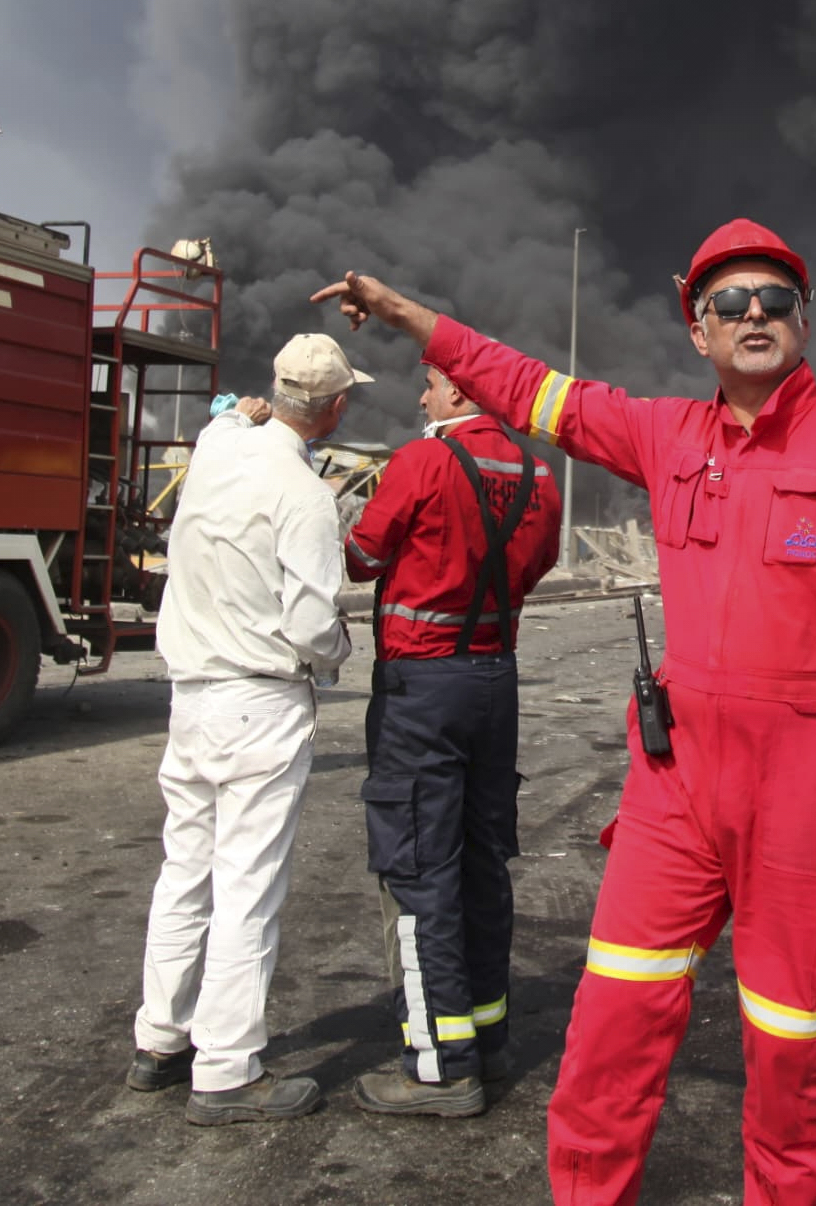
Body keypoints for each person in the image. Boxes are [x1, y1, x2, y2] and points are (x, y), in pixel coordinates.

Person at [314, 218, 816, 1203]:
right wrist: (402, 314)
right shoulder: (663, 434)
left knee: (793, 1046)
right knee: (611, 1026)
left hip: (808, 790)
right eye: (729, 301)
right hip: (675, 787)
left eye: (774, 298)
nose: (754, 313)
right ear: (699, 330)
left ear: (803, 319)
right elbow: (524, 385)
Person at [127, 332, 369, 1125]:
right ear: (335, 409)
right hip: (260, 702)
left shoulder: (216, 446)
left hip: (190, 697)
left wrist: (239, 414)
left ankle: (160, 1040)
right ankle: (228, 1071)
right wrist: (339, 650)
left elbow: (229, 417)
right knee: (248, 888)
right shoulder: (304, 495)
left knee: (184, 871)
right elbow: (311, 624)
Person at [341, 362, 564, 1116]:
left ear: (461, 392)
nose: (422, 395)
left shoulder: (424, 461)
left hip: (422, 689)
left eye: (431, 384)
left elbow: (361, 557)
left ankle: (439, 1067)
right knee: (481, 863)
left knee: (417, 871)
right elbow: (537, 564)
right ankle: (486, 1042)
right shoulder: (539, 474)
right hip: (495, 681)